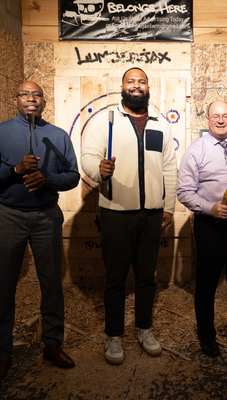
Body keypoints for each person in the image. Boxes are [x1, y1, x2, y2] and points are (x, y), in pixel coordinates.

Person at [0, 81, 80, 383]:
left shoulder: (58, 136)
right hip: (9, 216)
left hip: (46, 216)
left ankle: (52, 345)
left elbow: (72, 176)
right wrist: (15, 170)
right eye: (25, 94)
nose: (31, 98)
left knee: (51, 283)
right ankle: (2, 355)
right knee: (5, 285)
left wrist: (47, 179)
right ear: (15, 100)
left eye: (37, 94)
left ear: (43, 101)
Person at [80, 67, 177, 364]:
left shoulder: (160, 124)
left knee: (147, 277)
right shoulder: (106, 120)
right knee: (116, 278)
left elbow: (169, 167)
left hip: (151, 214)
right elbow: (87, 157)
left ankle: (144, 329)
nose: (136, 86)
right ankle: (114, 335)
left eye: (141, 81)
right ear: (122, 87)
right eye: (131, 81)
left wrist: (169, 207)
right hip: (116, 213)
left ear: (148, 88)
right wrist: (99, 170)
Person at [177, 100, 227, 357]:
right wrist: (208, 208)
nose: (221, 120)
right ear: (208, 120)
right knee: (207, 285)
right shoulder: (196, 151)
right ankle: (207, 336)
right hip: (210, 226)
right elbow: (184, 192)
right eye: (216, 116)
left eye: (225, 116)